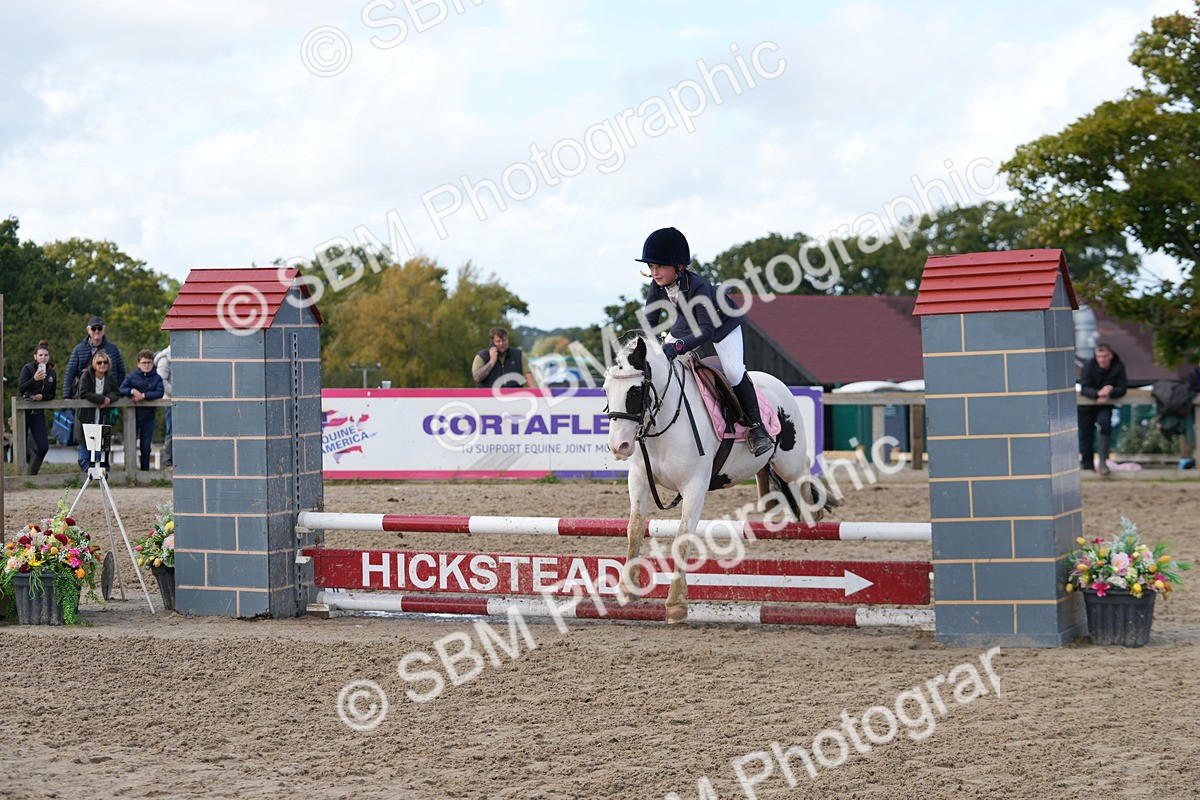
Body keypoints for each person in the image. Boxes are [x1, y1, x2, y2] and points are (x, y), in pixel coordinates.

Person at [636, 226, 773, 456]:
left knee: (733, 371)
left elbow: (707, 331)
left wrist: (677, 347)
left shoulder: (698, 286)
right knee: (663, 363)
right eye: (651, 266)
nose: (654, 271)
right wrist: (645, 350)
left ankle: (757, 428)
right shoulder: (656, 286)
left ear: (678, 266)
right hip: (688, 321)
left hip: (721, 324)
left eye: (659, 266)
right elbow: (649, 325)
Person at [1078, 341, 1128, 475]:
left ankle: (1103, 462)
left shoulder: (1118, 366)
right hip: (1087, 406)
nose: (1101, 359)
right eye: (1099, 356)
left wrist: (1110, 392)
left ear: (1110, 355)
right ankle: (1087, 465)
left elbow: (1122, 388)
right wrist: (1097, 393)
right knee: (1085, 434)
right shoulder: (1088, 366)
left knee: (1105, 424)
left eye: (1104, 356)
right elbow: (1084, 388)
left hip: (1105, 404)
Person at [74, 350, 122, 473]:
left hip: (102, 413)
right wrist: (102, 399)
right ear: (94, 364)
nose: (102, 365)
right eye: (99, 362)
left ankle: (98, 469)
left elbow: (117, 392)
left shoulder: (110, 377)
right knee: (84, 440)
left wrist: (108, 399)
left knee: (100, 440)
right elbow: (83, 392)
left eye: (105, 362)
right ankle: (85, 467)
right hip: (86, 413)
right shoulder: (86, 376)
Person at [120, 349, 165, 471]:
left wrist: (143, 396)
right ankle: (128, 471)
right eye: (144, 362)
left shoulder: (157, 378)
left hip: (148, 416)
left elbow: (160, 392)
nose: (147, 365)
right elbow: (121, 389)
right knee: (129, 445)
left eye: (149, 362)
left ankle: (144, 472)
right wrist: (132, 391)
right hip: (132, 417)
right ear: (138, 364)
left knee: (146, 446)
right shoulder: (131, 377)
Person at [63, 316, 126, 400]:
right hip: (85, 394)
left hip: (108, 396)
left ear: (103, 330)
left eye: (99, 328)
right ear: (88, 330)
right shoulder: (79, 349)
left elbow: (121, 372)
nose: (97, 331)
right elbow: (70, 373)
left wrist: (115, 392)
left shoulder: (113, 349)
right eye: (93, 328)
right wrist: (67, 396)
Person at [17, 340, 56, 475]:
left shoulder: (52, 372)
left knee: (43, 446)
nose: (43, 358)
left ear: (49, 357)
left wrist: (42, 397)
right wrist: (34, 379)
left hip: (38, 412)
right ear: (35, 356)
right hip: (23, 411)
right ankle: (21, 475)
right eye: (40, 355)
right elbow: (21, 388)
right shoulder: (27, 369)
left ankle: (31, 474)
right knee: (21, 445)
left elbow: (52, 394)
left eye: (45, 355)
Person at [154, 345, 173, 468]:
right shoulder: (165, 358)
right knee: (171, 430)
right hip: (170, 401)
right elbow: (161, 380)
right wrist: (178, 393)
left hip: (186, 401)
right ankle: (168, 460)